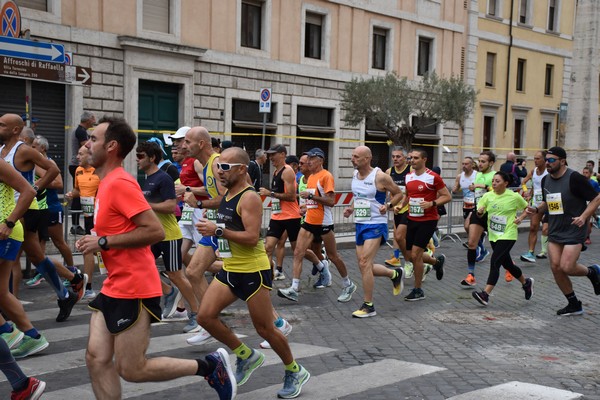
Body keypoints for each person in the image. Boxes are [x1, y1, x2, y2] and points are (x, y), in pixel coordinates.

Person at [76, 116, 235, 400]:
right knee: (95, 358)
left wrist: (102, 241)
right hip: (115, 284)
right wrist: (97, 239)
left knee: (132, 369)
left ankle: (209, 366)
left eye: (94, 139)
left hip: (134, 287)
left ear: (111, 146)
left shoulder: (120, 184)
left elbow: (153, 231)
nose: (87, 144)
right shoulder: (106, 183)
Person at [196, 147, 310, 399]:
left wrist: (217, 231)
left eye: (225, 167)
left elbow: (250, 237)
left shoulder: (248, 198)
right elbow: (222, 208)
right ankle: (247, 356)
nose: (219, 171)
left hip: (253, 272)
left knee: (265, 329)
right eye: (218, 166)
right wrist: (198, 201)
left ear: (241, 169)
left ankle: (295, 370)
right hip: (231, 269)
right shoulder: (229, 192)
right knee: (205, 317)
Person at [0, 113, 86, 324]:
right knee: (35, 258)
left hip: (28, 210)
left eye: (2, 125)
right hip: (13, 210)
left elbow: (53, 170)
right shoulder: (2, 151)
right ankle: (67, 290)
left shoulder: (24, 150)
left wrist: (35, 187)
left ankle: (10, 306)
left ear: (15, 130)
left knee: (13, 262)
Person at [525, 147, 600, 316]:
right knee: (556, 267)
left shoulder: (574, 178)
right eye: (546, 160)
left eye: (552, 160)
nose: (547, 163)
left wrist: (584, 216)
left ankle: (592, 271)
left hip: (575, 228)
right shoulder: (546, 180)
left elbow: (597, 198)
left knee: (567, 266)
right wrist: (536, 209)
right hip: (556, 228)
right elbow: (548, 203)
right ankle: (574, 304)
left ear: (563, 161)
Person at [277, 147, 357, 303]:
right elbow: (314, 202)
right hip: (308, 221)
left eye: (312, 159)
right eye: (308, 159)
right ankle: (294, 288)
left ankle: (348, 284)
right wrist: (306, 207)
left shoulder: (326, 176)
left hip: (323, 223)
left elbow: (331, 201)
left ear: (320, 160)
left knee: (333, 256)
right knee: (298, 252)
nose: (308, 162)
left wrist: (311, 196)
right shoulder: (310, 177)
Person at [136, 141, 199, 328]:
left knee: (176, 275)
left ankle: (196, 313)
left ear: (152, 158)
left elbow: (171, 206)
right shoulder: (147, 180)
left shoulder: (163, 178)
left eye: (140, 156)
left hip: (169, 236)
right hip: (153, 234)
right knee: (140, 266)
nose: (137, 160)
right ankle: (168, 292)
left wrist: (146, 205)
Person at [0, 152, 46, 399]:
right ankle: (21, 383)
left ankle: (12, 332)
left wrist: (9, 221)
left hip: (4, 233)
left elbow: (28, 190)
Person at [343, 146, 404, 317]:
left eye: (356, 156)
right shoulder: (355, 175)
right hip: (360, 223)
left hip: (376, 223)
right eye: (352, 155)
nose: (352, 159)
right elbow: (359, 197)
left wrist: (389, 205)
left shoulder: (380, 177)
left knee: (364, 262)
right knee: (365, 266)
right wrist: (350, 208)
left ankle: (368, 306)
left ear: (367, 158)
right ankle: (394, 273)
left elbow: (398, 193)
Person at [181, 126, 227, 345]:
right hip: (215, 225)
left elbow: (226, 198)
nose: (183, 145)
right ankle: (209, 322)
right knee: (193, 271)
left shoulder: (217, 163)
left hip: (226, 227)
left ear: (201, 144)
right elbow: (213, 192)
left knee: (245, 278)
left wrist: (199, 203)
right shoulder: (208, 165)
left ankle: (276, 322)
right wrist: (189, 190)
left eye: (188, 142)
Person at [471, 171, 534, 306]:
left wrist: (521, 218)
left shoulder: (513, 196)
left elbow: (527, 208)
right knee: (508, 265)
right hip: (494, 235)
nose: (494, 183)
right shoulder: (487, 196)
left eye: (497, 181)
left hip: (508, 234)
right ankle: (526, 282)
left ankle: (485, 294)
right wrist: (480, 212)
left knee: (495, 262)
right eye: (493, 181)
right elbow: (480, 214)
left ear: (506, 183)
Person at [400, 149, 449, 301]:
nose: (412, 161)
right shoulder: (408, 176)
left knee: (415, 255)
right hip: (412, 218)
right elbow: (408, 196)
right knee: (409, 256)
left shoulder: (433, 177)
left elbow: (447, 196)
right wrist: (400, 206)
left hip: (428, 220)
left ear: (424, 159)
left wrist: (431, 203)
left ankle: (418, 290)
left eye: (415, 158)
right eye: (411, 158)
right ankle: (436, 261)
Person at [65, 145, 101, 300]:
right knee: (88, 250)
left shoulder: (99, 170)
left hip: (101, 216)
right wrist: (71, 194)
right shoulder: (79, 170)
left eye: (80, 154)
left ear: (90, 155)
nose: (77, 157)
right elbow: (78, 190)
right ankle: (88, 287)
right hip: (88, 216)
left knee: (103, 252)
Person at [462, 151, 496, 288]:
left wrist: (483, 186)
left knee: (498, 247)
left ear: (491, 163)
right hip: (478, 211)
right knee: (471, 243)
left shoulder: (494, 175)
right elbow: (478, 194)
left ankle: (511, 269)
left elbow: (498, 191)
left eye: (483, 161)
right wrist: (473, 189)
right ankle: (471, 275)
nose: (480, 164)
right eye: (479, 161)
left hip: (492, 214)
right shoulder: (478, 175)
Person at [384, 147, 412, 273]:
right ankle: (397, 257)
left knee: (401, 236)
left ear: (405, 158)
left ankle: (409, 261)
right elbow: (384, 189)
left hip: (409, 208)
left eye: (398, 156)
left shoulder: (411, 170)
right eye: (393, 156)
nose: (395, 159)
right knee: (398, 236)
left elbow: (413, 190)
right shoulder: (389, 172)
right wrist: (389, 204)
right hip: (396, 209)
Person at [69, 111, 96, 235]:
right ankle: (75, 224)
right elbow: (86, 148)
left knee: (83, 194)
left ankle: (82, 223)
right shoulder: (80, 131)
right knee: (80, 193)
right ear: (88, 120)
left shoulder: (82, 131)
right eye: (93, 119)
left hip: (77, 166)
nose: (94, 121)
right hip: (76, 166)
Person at [519, 151, 549, 262]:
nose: (535, 161)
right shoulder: (533, 171)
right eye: (534, 158)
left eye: (538, 158)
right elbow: (524, 182)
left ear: (544, 159)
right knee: (533, 227)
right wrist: (527, 192)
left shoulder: (549, 171)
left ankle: (550, 250)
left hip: (549, 204)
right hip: (537, 204)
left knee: (547, 229)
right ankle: (531, 253)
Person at [581, 166, 600, 245]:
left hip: (590, 203)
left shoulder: (594, 183)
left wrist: (593, 203)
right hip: (581, 203)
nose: (585, 174)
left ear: (591, 174)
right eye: (584, 172)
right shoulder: (580, 182)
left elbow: (597, 195)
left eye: (587, 173)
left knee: (587, 221)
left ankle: (587, 237)